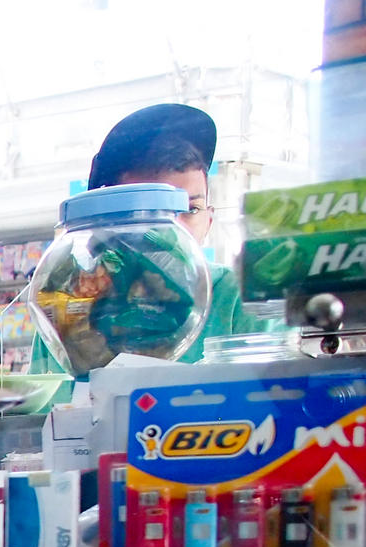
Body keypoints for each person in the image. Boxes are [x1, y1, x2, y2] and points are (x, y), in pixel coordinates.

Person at [32, 103, 250, 370]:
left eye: (191, 209)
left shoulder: (237, 296)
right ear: (103, 225)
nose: (173, 229)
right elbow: (49, 406)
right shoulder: (68, 304)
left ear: (209, 219)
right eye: (146, 214)